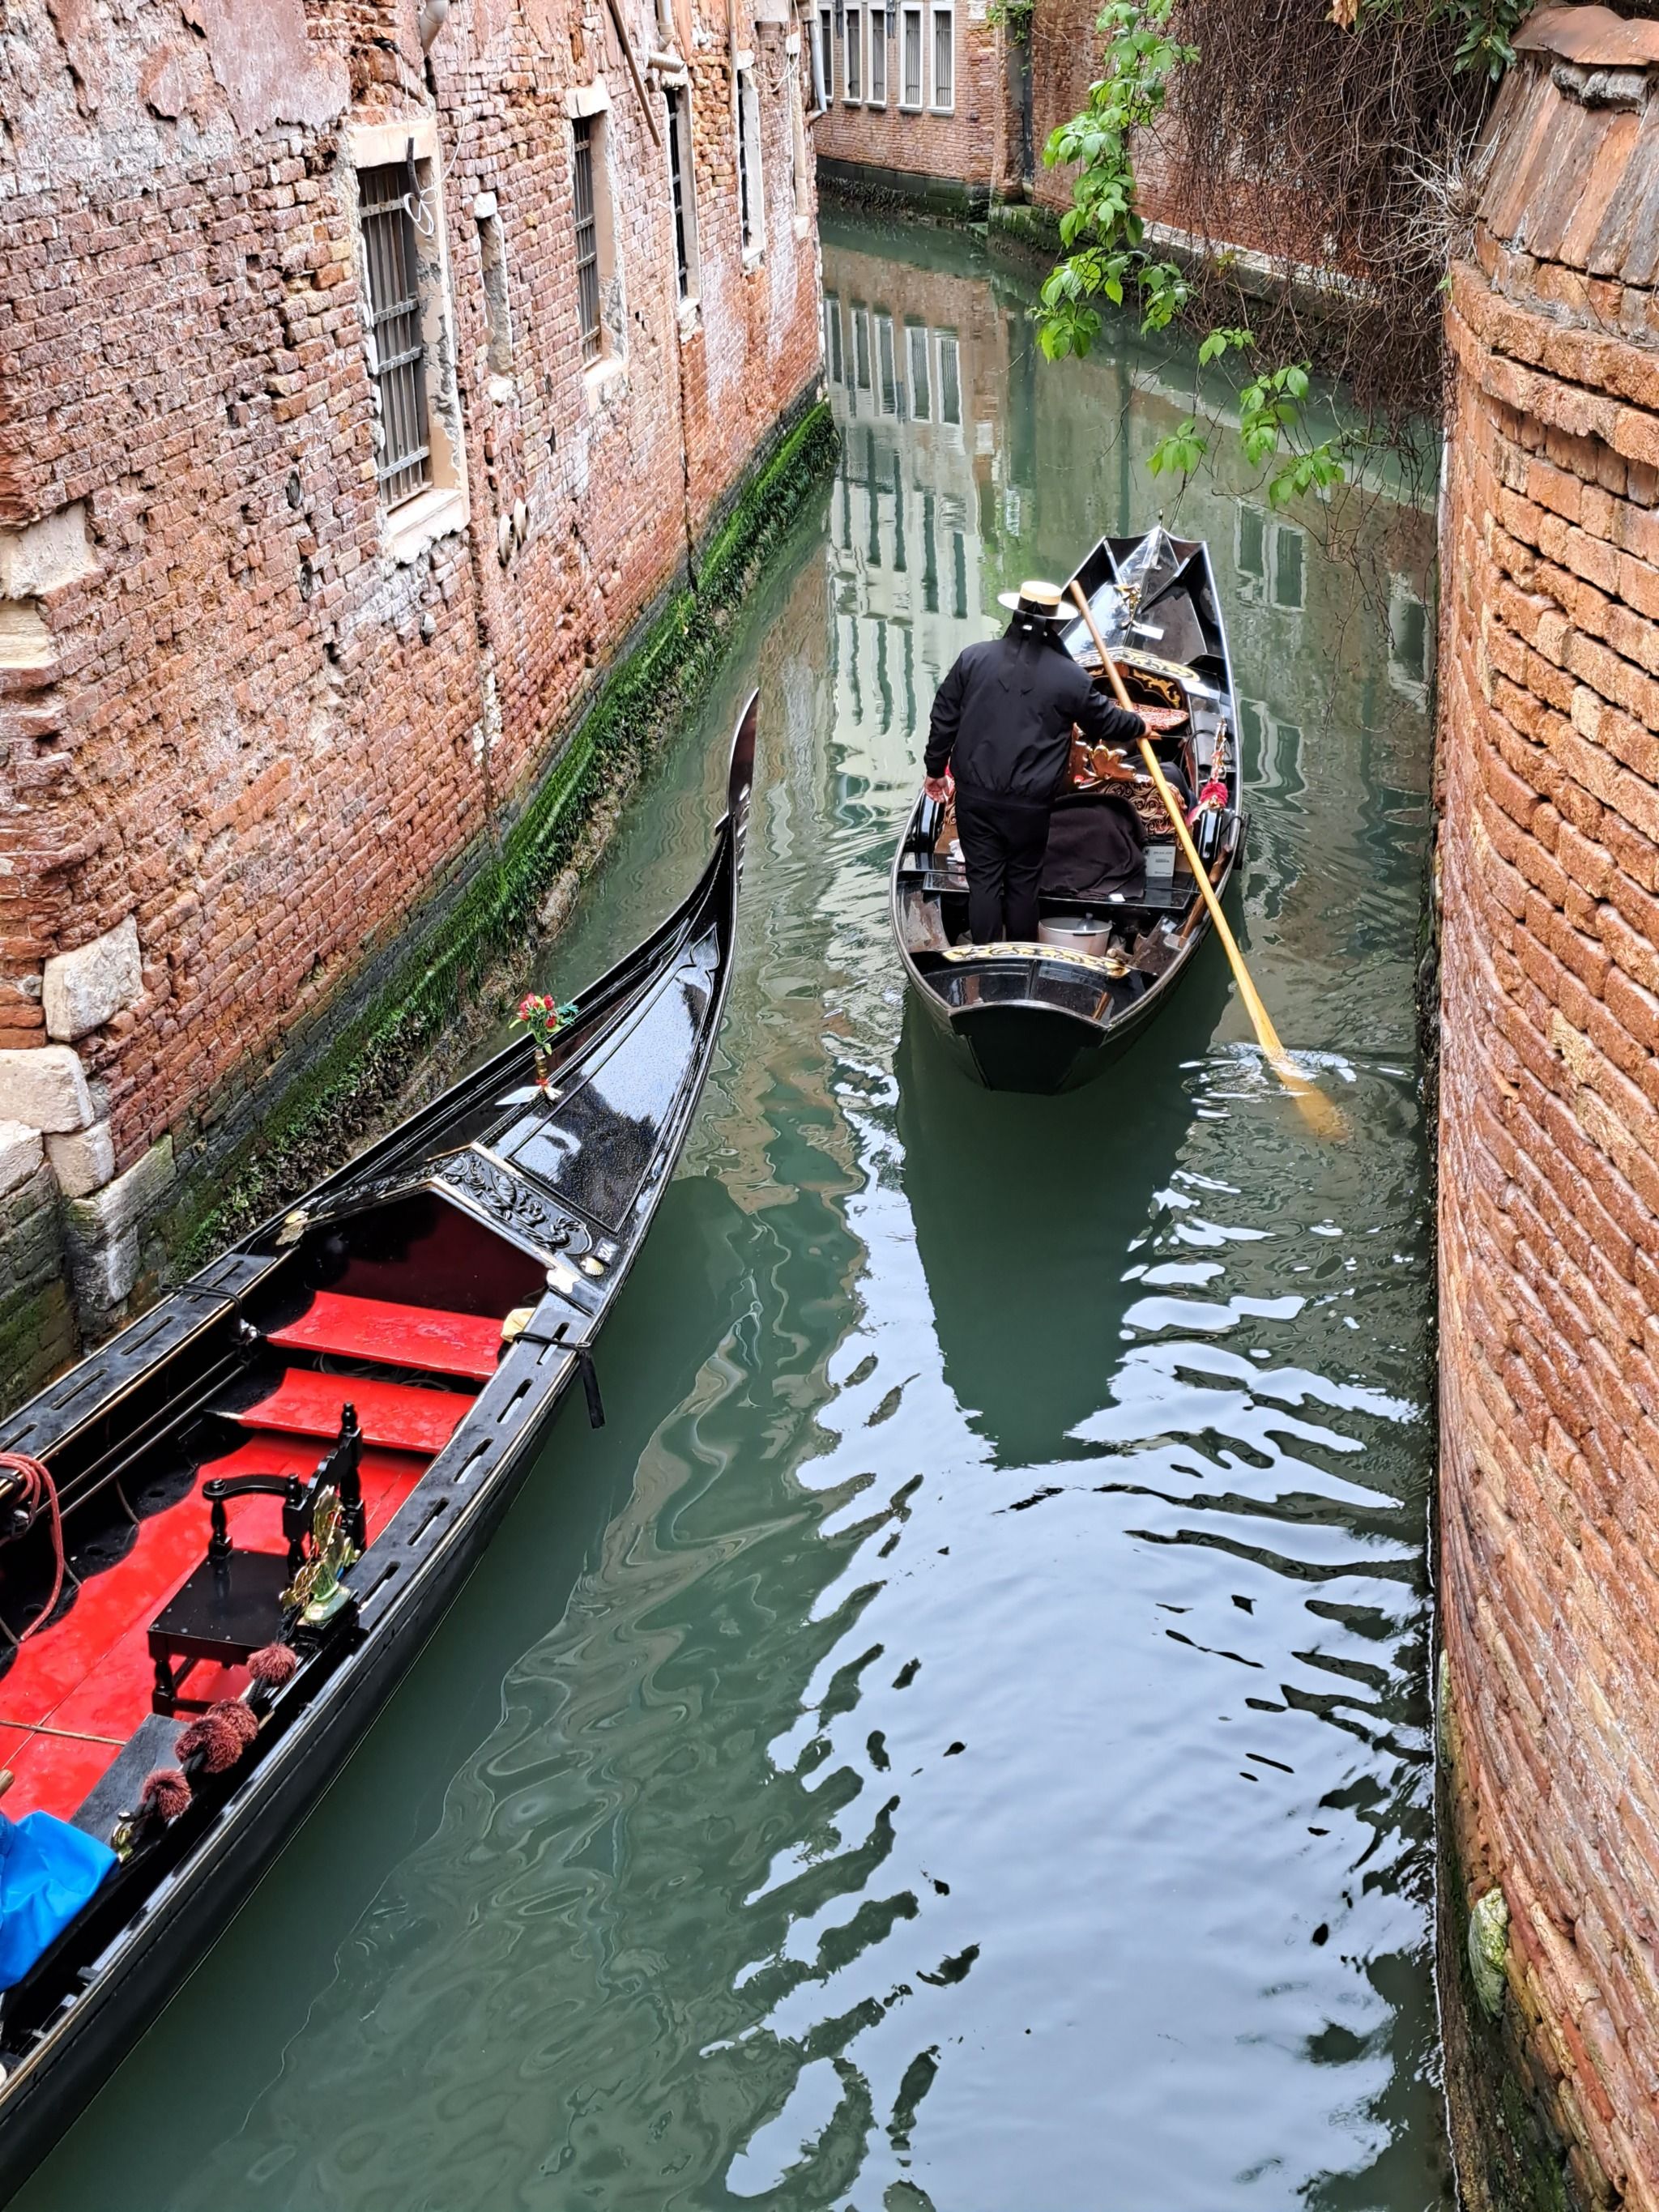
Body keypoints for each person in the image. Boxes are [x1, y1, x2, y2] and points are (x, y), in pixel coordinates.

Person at [924, 579, 1148, 944]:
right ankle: (1021, 961)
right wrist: (1141, 725)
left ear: (1014, 613)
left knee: (984, 881)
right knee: (1022, 883)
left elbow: (943, 718)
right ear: (1057, 624)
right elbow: (1106, 722)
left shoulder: (973, 658)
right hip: (1029, 807)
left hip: (975, 798)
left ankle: (985, 959)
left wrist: (936, 771)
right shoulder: (1071, 678)